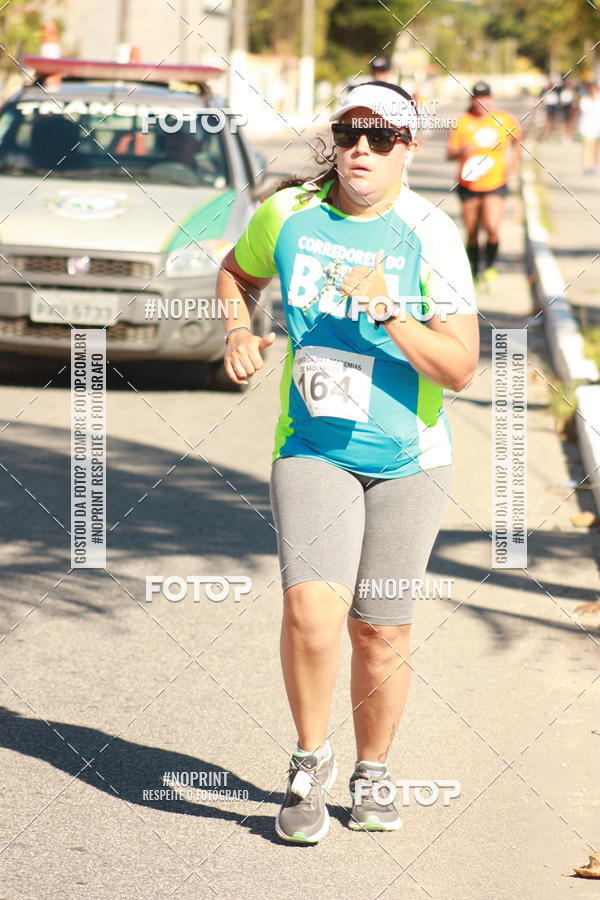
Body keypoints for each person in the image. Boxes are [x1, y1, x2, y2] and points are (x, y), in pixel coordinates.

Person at [216, 81, 479, 843]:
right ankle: (308, 761)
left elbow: (460, 369)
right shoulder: (290, 214)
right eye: (350, 134)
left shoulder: (429, 234)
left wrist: (391, 310)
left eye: (382, 137)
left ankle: (374, 771)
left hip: (409, 461)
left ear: (410, 147)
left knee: (381, 631)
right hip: (313, 448)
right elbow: (237, 272)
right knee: (311, 610)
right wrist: (237, 331)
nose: (362, 149)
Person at [447, 81, 521, 291]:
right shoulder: (461, 122)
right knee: (471, 231)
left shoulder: (504, 119)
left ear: (491, 99)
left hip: (495, 183)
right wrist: (463, 150)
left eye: (485, 97)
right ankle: (474, 270)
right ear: (472, 100)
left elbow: (518, 140)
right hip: (469, 185)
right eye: (477, 98)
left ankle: (490, 267)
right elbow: (449, 153)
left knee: (491, 227)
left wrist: (512, 163)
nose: (481, 102)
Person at [577, 82, 600, 174]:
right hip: (587, 128)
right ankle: (587, 166)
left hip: (598, 128)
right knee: (588, 147)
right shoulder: (585, 100)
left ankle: (596, 166)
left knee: (597, 148)